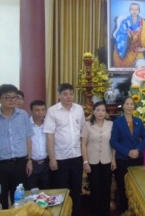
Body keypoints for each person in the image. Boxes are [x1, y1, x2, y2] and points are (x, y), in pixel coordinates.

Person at [43, 83, 86, 216]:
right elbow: (49, 135)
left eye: (71, 94)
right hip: (60, 158)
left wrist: (85, 159)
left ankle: (76, 213)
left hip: (76, 156)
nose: (69, 97)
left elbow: (83, 131)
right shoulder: (53, 111)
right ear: (59, 95)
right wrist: (52, 158)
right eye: (65, 94)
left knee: (76, 188)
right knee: (60, 189)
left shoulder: (79, 109)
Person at [0, 84, 34, 209]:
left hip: (20, 163)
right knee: (1, 196)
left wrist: (29, 160)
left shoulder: (23, 115)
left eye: (14, 97)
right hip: (0, 164)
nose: (12, 100)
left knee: (20, 197)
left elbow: (28, 139)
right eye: (7, 97)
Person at [110, 96, 145, 213]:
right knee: (122, 186)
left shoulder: (138, 121)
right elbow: (113, 141)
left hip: (137, 158)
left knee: (137, 186)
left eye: (131, 104)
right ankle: (124, 210)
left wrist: (137, 149)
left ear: (134, 106)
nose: (129, 106)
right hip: (122, 159)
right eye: (127, 104)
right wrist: (128, 152)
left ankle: (137, 210)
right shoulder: (117, 122)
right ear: (123, 106)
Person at [81, 101, 116, 216]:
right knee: (95, 188)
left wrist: (114, 159)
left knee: (106, 188)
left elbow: (114, 143)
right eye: (98, 110)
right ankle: (95, 212)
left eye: (103, 110)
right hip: (92, 161)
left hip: (107, 160)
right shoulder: (87, 125)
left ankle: (105, 212)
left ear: (106, 112)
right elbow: (83, 144)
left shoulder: (111, 124)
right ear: (93, 112)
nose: (100, 113)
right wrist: (85, 162)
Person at [113, 3, 145, 68]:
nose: (134, 12)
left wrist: (144, 48)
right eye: (132, 9)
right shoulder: (124, 22)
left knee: (141, 64)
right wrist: (126, 35)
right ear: (129, 10)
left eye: (136, 9)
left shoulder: (143, 23)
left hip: (138, 51)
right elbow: (119, 36)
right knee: (119, 59)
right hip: (126, 51)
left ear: (139, 11)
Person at [26, 100, 50, 190]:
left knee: (47, 191)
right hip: (31, 164)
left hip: (46, 164)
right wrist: (29, 161)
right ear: (31, 111)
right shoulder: (27, 124)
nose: (40, 113)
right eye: (37, 110)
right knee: (31, 192)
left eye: (43, 110)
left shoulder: (49, 123)